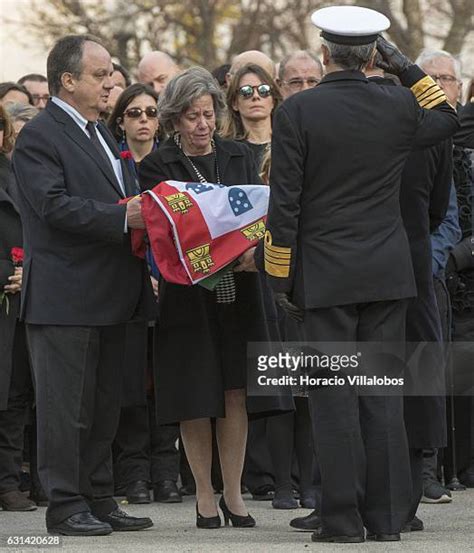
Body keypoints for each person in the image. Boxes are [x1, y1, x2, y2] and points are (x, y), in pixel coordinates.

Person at [259, 5, 459, 544]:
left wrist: (279, 274)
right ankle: (387, 520)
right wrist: (406, 67)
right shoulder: (398, 102)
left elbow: (286, 205)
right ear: (374, 53)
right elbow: (447, 119)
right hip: (387, 273)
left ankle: (343, 521)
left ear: (324, 54)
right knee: (380, 395)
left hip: (325, 277)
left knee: (333, 399)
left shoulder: (297, 112)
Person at [12, 34, 156, 536]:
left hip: (111, 293)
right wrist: (125, 218)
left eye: (110, 74)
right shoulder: (41, 134)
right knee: (64, 411)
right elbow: (52, 207)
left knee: (102, 407)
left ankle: (98, 495)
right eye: (99, 75)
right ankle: (65, 504)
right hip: (65, 298)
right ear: (67, 80)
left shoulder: (98, 131)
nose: (109, 83)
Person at [139, 66, 290, 529]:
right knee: (194, 392)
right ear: (173, 120)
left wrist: (253, 253)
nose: (202, 125)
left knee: (234, 393)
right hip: (188, 295)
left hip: (241, 288)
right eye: (191, 117)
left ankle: (234, 492)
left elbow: (262, 214)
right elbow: (161, 230)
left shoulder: (240, 154)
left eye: (207, 114)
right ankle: (204, 493)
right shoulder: (156, 165)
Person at [0, 105, 36, 512]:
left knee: (14, 396)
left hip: (18, 302)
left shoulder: (18, 178)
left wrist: (27, 271)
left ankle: (9, 481)